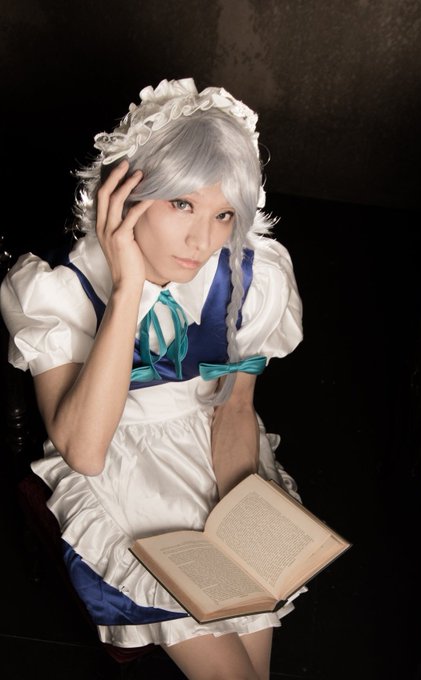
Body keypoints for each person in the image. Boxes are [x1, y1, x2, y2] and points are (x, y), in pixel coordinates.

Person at [1, 78, 303, 680]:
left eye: (223, 214)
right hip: (120, 467)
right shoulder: (59, 288)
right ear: (128, 189)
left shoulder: (252, 275)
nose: (202, 240)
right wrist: (128, 286)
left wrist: (236, 524)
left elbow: (234, 409)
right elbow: (85, 451)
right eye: (182, 205)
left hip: (214, 450)